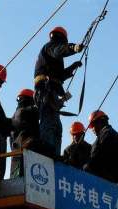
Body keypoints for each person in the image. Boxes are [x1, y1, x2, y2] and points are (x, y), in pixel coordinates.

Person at [34, 26, 84, 157]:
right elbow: (59, 51)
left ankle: (54, 157)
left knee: (56, 128)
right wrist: (73, 48)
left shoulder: (53, 57)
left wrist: (72, 67)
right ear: (61, 39)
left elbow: (59, 75)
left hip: (52, 93)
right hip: (46, 91)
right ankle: (46, 155)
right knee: (49, 124)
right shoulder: (50, 47)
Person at [83, 109, 118, 184]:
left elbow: (95, 156)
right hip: (112, 175)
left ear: (99, 122)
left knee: (85, 168)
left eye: (92, 126)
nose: (92, 129)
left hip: (108, 174)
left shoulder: (107, 134)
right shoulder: (108, 133)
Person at [10, 88, 41, 178]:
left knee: (16, 181)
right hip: (28, 155)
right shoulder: (27, 111)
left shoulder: (14, 116)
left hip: (15, 155)